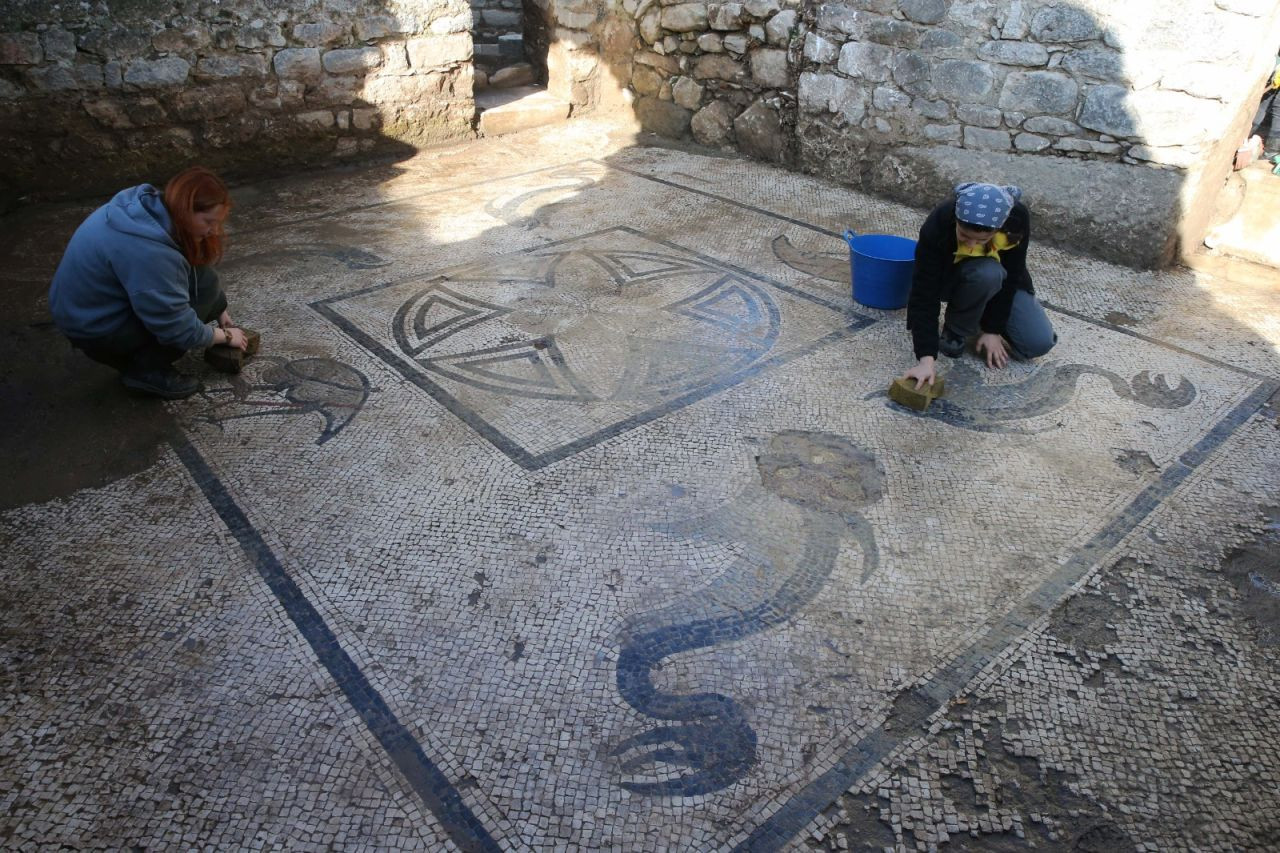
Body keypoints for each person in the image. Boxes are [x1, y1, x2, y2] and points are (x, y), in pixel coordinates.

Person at [49, 166, 250, 400]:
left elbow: (196, 268)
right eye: (208, 221)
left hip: (82, 310)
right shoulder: (151, 253)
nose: (213, 230)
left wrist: (219, 308)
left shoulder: (147, 211)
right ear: (185, 211)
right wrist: (223, 337)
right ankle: (145, 371)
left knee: (203, 286)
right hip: (95, 328)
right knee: (181, 315)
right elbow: (176, 328)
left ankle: (144, 355)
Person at [902, 182, 1056, 390]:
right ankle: (956, 329)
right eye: (964, 236)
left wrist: (993, 329)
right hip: (956, 278)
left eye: (982, 239)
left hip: (1000, 280)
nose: (971, 244)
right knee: (987, 273)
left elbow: (1012, 275)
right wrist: (925, 360)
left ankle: (981, 314)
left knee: (1038, 343)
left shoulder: (1016, 218)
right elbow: (924, 291)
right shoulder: (940, 220)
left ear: (998, 229)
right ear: (956, 220)